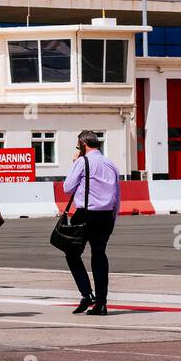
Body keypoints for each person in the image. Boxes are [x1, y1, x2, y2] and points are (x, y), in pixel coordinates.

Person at [61, 131, 121, 316]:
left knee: (71, 253)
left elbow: (67, 188)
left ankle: (87, 294)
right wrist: (113, 216)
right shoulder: (111, 163)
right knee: (99, 256)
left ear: (82, 144)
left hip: (85, 215)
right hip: (106, 215)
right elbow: (117, 193)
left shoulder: (81, 162)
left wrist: (75, 163)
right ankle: (101, 303)